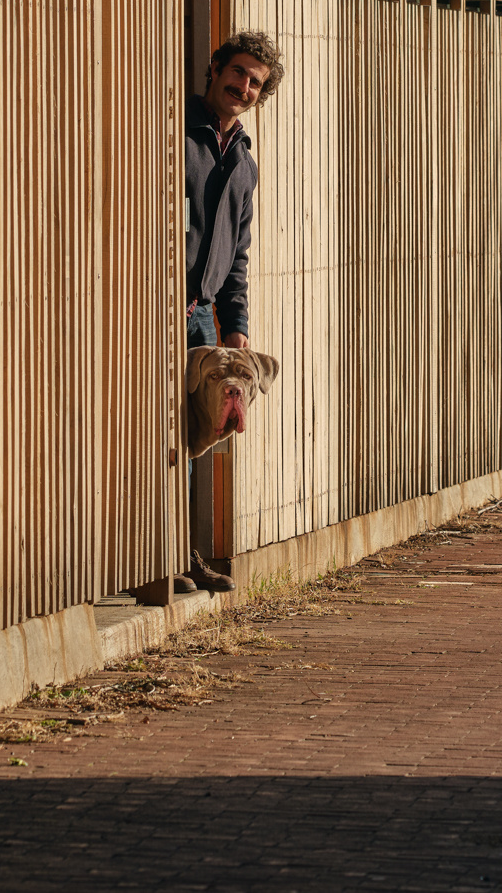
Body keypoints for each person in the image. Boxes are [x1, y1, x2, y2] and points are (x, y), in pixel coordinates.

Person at [181, 30, 284, 592]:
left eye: (254, 82)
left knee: (193, 437)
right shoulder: (176, 132)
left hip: (200, 318)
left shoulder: (243, 164)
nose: (242, 86)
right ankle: (152, 555)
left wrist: (236, 325)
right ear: (215, 67)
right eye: (238, 72)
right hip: (155, 308)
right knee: (153, 437)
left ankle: (179, 555)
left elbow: (236, 256)